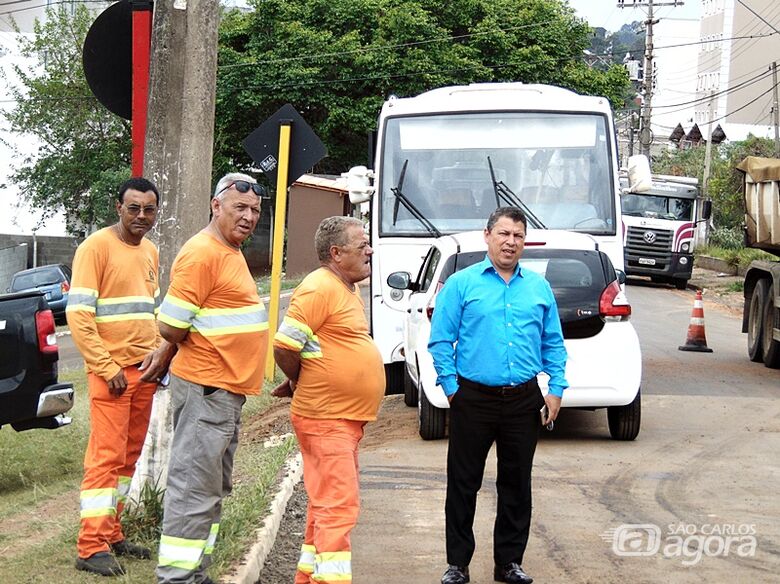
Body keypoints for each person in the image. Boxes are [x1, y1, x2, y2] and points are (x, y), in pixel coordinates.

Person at [428, 206, 568, 584]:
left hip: (524, 399)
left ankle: (509, 563)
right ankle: (457, 564)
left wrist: (555, 389)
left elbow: (553, 343)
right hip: (472, 398)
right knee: (463, 483)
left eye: (518, 236)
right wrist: (453, 390)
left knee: (516, 484)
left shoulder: (537, 287)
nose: (510, 242)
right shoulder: (462, 283)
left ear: (525, 242)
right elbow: (441, 340)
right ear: (487, 235)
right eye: (504, 234)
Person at [154, 173, 267, 584]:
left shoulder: (228, 250)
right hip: (207, 392)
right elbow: (170, 327)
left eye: (255, 210)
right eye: (240, 208)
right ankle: (178, 578)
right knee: (192, 491)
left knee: (211, 490)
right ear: (216, 206)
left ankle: (196, 572)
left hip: (222, 394)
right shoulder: (202, 253)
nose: (249, 216)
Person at [67, 177, 175, 577]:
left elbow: (148, 310)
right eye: (133, 208)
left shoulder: (150, 250)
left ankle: (112, 532)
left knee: (128, 459)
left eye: (149, 209)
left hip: (143, 371)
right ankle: (90, 545)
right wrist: (106, 366)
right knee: (105, 458)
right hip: (110, 374)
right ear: (118, 207)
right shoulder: (94, 247)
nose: (141, 216)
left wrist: (157, 359)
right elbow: (79, 315)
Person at [273, 216, 385, 584]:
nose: (369, 250)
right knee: (339, 507)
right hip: (327, 419)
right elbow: (285, 344)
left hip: (339, 418)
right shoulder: (319, 288)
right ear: (336, 253)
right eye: (361, 245)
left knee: (324, 505)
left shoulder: (343, 288)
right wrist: (297, 379)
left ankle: (308, 577)